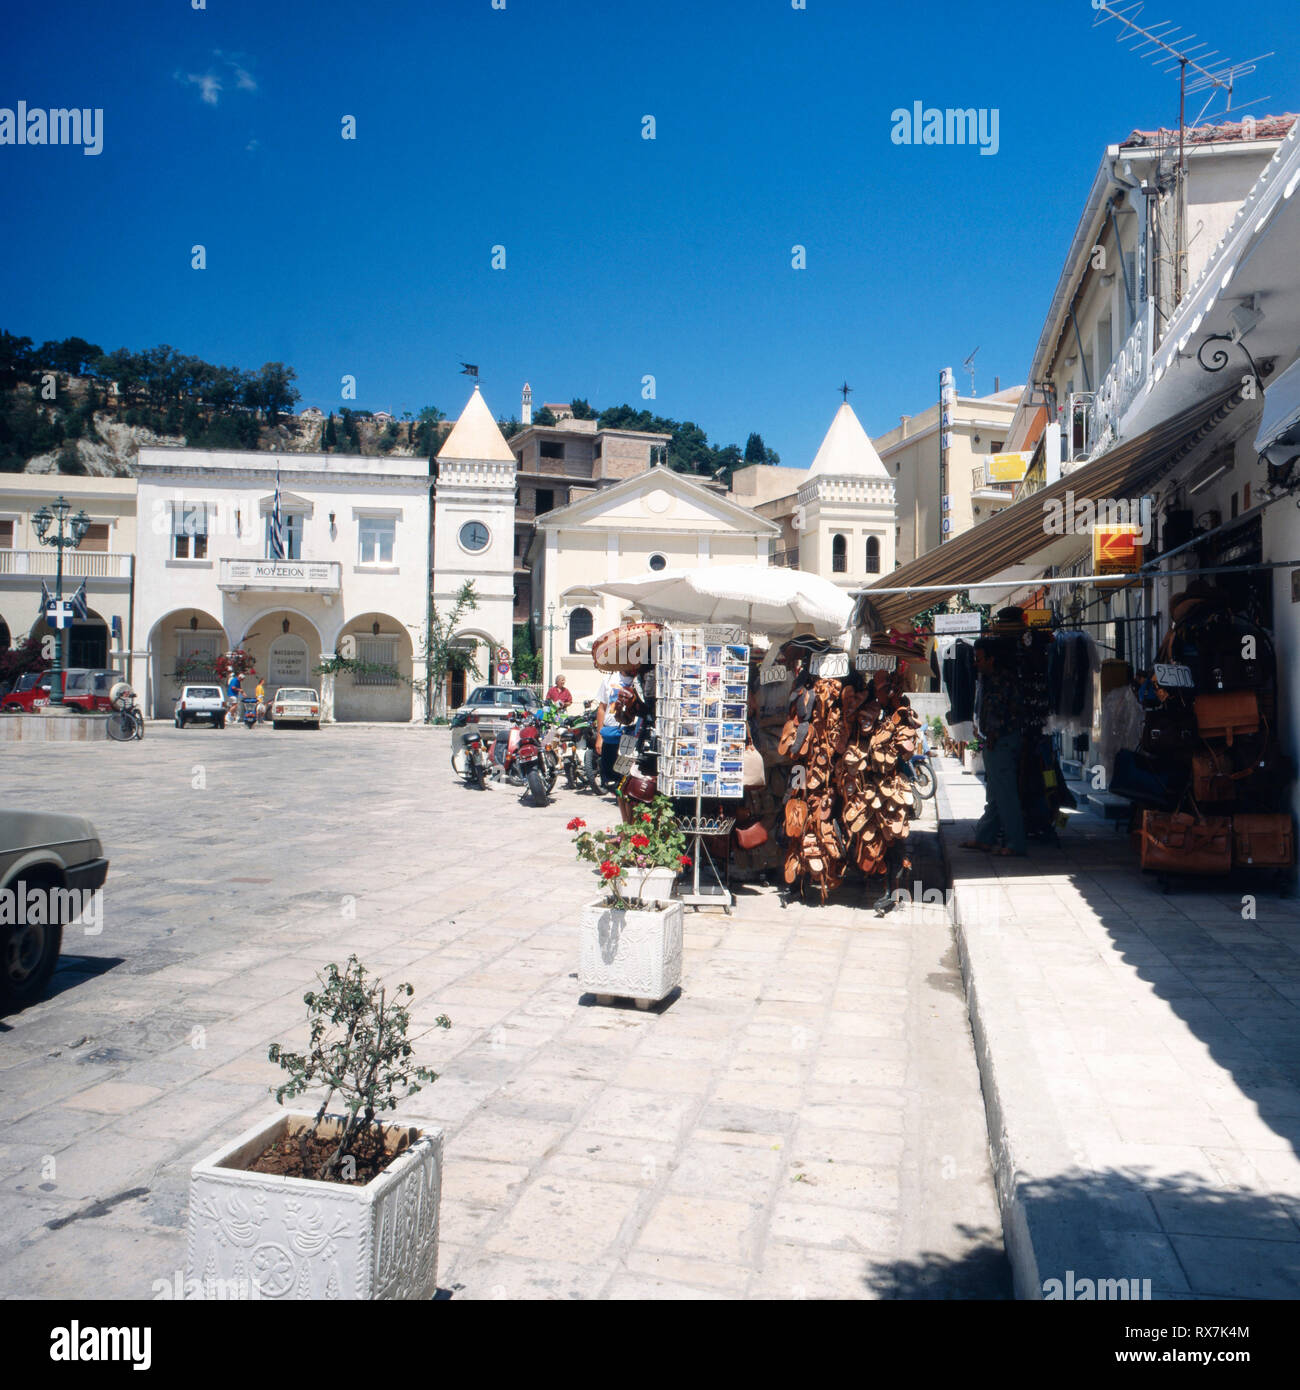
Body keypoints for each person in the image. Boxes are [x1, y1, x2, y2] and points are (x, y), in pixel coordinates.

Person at [962, 637, 1027, 857]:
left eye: (979, 659)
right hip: (993, 742)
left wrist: (994, 734)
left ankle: (1015, 842)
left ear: (992, 659)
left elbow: (1008, 714)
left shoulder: (1004, 681)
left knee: (1005, 795)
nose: (976, 663)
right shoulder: (989, 680)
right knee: (995, 794)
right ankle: (985, 838)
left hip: (1002, 742)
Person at [594, 669, 635, 790]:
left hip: (629, 733)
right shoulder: (608, 679)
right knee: (610, 775)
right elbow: (602, 708)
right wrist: (599, 737)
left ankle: (622, 798)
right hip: (611, 733)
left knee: (624, 775)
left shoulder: (638, 680)